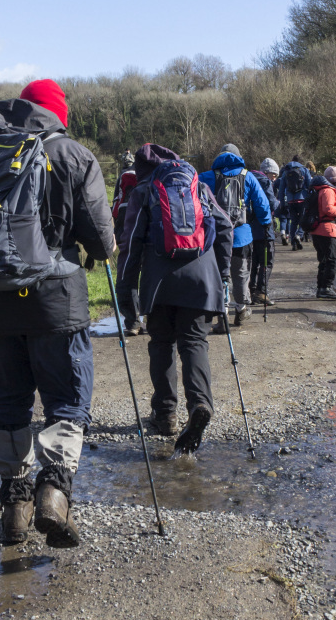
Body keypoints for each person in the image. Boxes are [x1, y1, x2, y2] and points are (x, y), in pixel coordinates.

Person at [0, 79, 115, 548]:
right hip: (55, 301)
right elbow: (101, 239)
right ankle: (54, 494)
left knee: (7, 403)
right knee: (67, 401)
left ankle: (14, 508)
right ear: (57, 112)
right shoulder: (74, 155)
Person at [117, 144, 233, 450]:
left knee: (161, 344)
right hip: (202, 279)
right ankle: (199, 405)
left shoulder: (143, 192)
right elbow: (225, 227)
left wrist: (126, 292)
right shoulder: (200, 187)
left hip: (159, 283)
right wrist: (222, 275)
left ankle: (166, 414)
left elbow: (129, 246)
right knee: (194, 342)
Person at [199, 144, 272, 329]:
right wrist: (266, 223)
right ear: (238, 157)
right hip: (241, 236)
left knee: (220, 275)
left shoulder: (206, 177)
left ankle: (222, 313)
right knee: (240, 274)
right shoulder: (248, 176)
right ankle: (241, 309)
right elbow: (262, 204)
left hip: (215, 236)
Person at [111, 151, 140, 335]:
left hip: (127, 229)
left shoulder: (124, 176)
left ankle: (133, 321)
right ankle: (156, 318)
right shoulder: (156, 174)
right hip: (151, 232)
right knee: (151, 273)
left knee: (128, 273)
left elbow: (115, 206)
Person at [310, 166, 336, 299]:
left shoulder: (319, 189)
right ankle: (326, 287)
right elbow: (328, 210)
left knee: (324, 260)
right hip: (326, 230)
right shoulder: (328, 191)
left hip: (318, 229)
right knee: (333, 260)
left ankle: (321, 288)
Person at [249, 158, 280, 306]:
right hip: (264, 227)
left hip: (249, 227)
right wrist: (280, 203)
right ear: (267, 172)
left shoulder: (247, 179)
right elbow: (271, 203)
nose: (274, 179)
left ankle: (251, 290)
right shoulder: (265, 182)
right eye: (273, 175)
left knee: (253, 261)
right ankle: (261, 292)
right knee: (267, 261)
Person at [279, 156, 312, 250]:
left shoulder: (286, 171)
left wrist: (282, 202)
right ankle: (299, 235)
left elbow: (281, 189)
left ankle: (293, 244)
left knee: (293, 221)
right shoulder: (304, 170)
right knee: (303, 219)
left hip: (290, 200)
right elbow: (309, 185)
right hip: (302, 198)